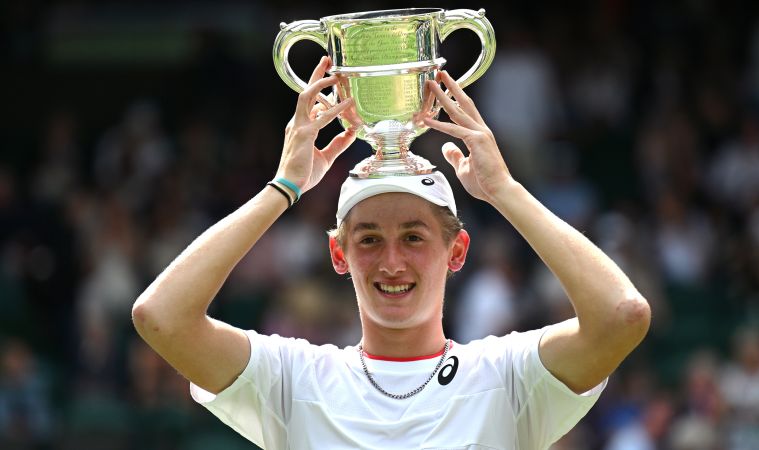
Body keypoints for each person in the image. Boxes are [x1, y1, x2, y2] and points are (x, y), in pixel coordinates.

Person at [132, 56, 651, 449]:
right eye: (369, 240)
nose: (392, 262)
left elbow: (621, 316)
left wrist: (505, 191)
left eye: (414, 237)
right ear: (339, 255)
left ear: (457, 250)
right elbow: (161, 317)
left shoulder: (507, 376)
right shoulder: (292, 379)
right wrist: (283, 188)